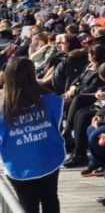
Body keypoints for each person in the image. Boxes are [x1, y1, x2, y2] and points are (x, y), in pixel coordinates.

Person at [0, 57, 65, 213]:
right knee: (50, 200)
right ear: (32, 74)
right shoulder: (50, 100)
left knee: (27, 206)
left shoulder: (3, 109)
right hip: (48, 159)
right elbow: (58, 125)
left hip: (19, 166)